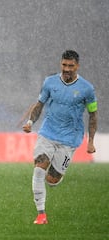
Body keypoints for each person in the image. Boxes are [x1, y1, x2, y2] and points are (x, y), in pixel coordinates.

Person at [22, 50, 97, 224]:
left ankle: (56, 176)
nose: (67, 69)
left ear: (77, 66)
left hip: (70, 139)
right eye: (64, 65)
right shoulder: (50, 82)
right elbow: (39, 104)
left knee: (52, 180)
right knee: (39, 169)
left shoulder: (87, 89)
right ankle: (41, 214)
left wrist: (91, 141)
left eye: (71, 66)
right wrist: (30, 122)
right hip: (48, 133)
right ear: (60, 64)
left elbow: (93, 114)